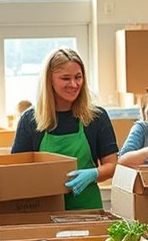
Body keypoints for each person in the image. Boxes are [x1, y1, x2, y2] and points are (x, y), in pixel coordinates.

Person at [11, 48, 118, 210]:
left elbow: (112, 165)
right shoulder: (31, 120)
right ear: (49, 80)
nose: (74, 84)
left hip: (87, 208)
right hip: (43, 208)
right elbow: (17, 171)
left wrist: (93, 174)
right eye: (65, 78)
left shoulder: (96, 117)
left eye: (78, 77)